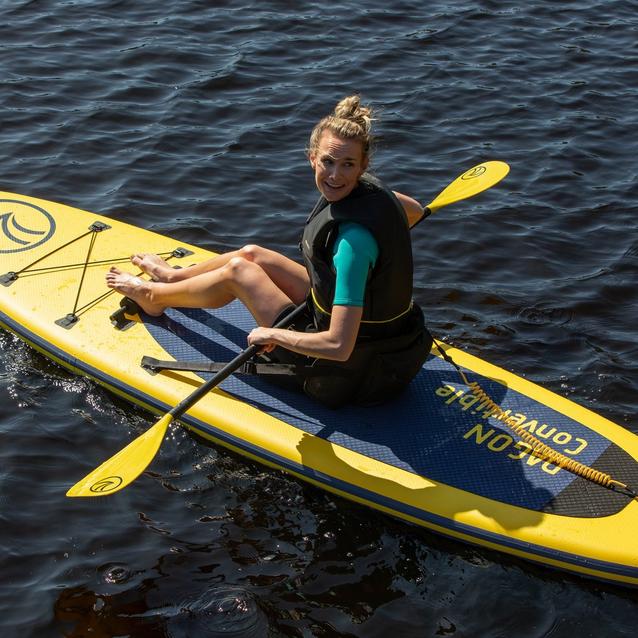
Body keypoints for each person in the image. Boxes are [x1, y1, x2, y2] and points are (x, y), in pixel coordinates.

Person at [106, 95, 432, 407]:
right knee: (250, 254)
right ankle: (173, 276)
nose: (335, 175)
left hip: (345, 372)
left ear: (362, 166)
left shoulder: (351, 246)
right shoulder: (379, 194)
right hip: (382, 340)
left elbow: (338, 346)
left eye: (347, 165)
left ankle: (153, 297)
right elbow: (415, 210)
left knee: (239, 273)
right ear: (312, 158)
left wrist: (273, 334)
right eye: (328, 162)